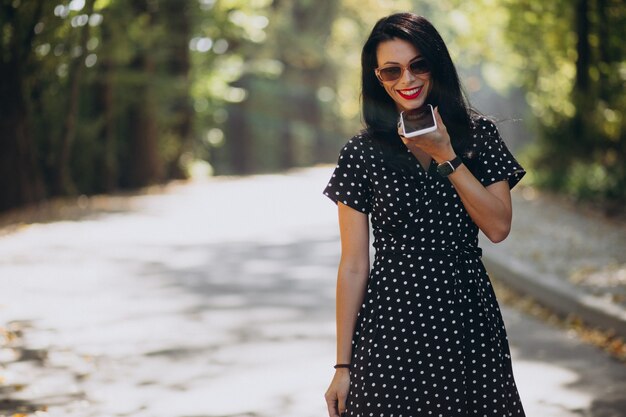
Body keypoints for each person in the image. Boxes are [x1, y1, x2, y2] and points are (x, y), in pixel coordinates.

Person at [323, 13, 527, 417]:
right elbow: (353, 265)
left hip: (465, 317)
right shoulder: (362, 153)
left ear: (435, 65)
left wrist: (446, 156)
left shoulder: (478, 136)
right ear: (377, 77)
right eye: (391, 70)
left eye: (418, 65)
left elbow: (499, 226)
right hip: (390, 325)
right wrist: (342, 367)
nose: (407, 79)